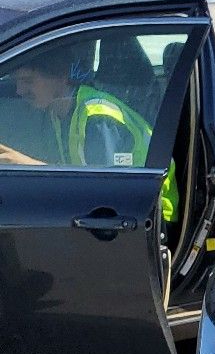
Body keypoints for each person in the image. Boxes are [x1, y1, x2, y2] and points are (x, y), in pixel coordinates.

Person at [0, 44, 177, 223]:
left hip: (154, 219)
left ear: (60, 76)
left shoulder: (97, 117)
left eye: (28, 81)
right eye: (17, 82)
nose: (19, 91)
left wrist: (28, 166)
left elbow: (104, 198)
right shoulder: (58, 113)